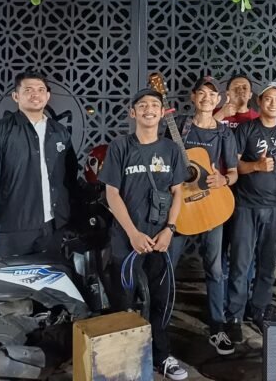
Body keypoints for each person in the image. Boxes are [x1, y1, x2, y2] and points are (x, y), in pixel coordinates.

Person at [100, 88, 188, 381]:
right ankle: (126, 364)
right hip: (127, 239)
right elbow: (112, 194)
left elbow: (178, 192)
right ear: (133, 113)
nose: (149, 109)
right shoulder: (120, 146)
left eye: (154, 105)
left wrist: (169, 230)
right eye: (142, 105)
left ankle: (162, 356)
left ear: (162, 113)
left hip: (161, 238)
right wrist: (132, 234)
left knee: (161, 300)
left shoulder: (171, 150)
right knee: (124, 301)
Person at [167, 75, 239, 356]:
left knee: (216, 269)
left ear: (219, 100)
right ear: (193, 97)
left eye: (212, 94)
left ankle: (217, 327)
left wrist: (224, 180)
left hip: (211, 206)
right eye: (201, 93)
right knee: (167, 266)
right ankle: (161, 325)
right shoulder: (179, 127)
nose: (207, 98)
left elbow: (233, 172)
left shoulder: (224, 133)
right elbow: (164, 164)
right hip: (181, 207)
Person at [0, 70, 78, 258]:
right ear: (16, 96)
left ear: (47, 96)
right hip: (13, 226)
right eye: (28, 90)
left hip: (53, 226)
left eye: (40, 90)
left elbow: (70, 177)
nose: (35, 95)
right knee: (13, 277)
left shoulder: (60, 132)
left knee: (49, 275)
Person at [225, 81, 276, 340]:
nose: (273, 103)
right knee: (240, 263)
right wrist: (256, 166)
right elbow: (234, 166)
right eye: (268, 99)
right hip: (246, 206)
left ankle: (258, 310)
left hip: (275, 207)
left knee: (267, 264)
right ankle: (234, 316)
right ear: (259, 102)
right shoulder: (246, 129)